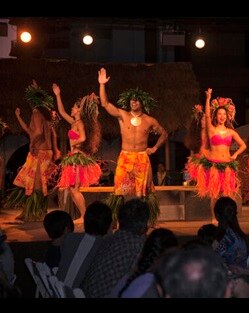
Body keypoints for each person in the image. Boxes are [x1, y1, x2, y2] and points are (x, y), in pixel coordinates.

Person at [98, 68, 168, 225]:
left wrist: (155, 147)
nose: (133, 102)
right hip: (125, 156)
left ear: (142, 102)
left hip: (142, 157)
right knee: (120, 191)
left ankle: (145, 220)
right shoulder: (123, 115)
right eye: (131, 100)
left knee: (143, 193)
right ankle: (119, 220)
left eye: (136, 100)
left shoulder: (150, 120)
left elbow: (164, 134)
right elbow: (105, 103)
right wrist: (102, 85)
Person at [191, 88, 246, 217]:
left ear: (227, 116)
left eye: (224, 114)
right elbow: (207, 115)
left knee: (227, 195)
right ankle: (214, 218)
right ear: (216, 116)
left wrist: (235, 154)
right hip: (214, 165)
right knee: (215, 195)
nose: (222, 116)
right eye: (219, 114)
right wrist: (208, 98)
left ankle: (227, 217)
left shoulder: (231, 132)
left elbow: (243, 145)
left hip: (227, 165)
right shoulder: (212, 130)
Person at [10, 81, 60, 222]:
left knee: (36, 184)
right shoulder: (45, 114)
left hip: (40, 153)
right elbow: (30, 130)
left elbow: (37, 132)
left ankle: (37, 212)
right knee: (27, 181)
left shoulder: (37, 112)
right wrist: (18, 116)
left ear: (33, 102)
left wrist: (32, 144)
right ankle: (29, 211)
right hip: (43, 152)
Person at [52, 83, 102, 223]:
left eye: (74, 107)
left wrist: (74, 141)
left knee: (75, 189)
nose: (72, 109)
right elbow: (61, 112)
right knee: (72, 188)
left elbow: (84, 138)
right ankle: (83, 215)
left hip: (77, 158)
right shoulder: (74, 122)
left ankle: (84, 215)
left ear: (79, 110)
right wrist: (58, 95)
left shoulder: (80, 124)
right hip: (73, 157)